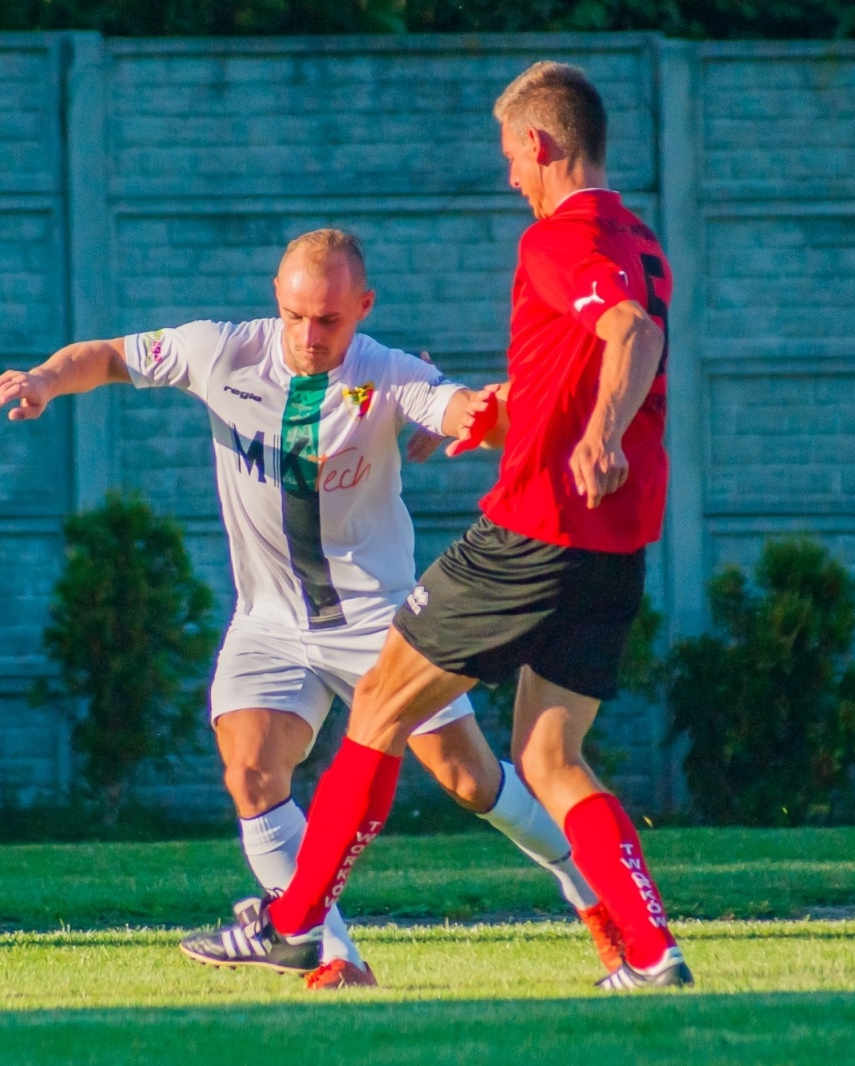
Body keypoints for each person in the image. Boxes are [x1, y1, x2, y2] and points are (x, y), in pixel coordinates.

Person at [0, 227, 625, 989]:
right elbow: (109, 357)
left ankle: (594, 896)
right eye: (296, 316)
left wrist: (492, 419)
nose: (311, 334)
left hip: (382, 623)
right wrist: (45, 381)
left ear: (363, 307)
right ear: (277, 303)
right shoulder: (220, 351)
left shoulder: (385, 373)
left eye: (330, 320)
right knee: (252, 773)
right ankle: (333, 956)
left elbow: (457, 408)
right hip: (270, 624)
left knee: (467, 779)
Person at [178, 62, 692, 991]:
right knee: (548, 754)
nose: (509, 177)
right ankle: (653, 954)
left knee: (376, 708)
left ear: (539, 145)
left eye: (510, 157)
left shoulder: (556, 237)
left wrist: (599, 437)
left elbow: (631, 337)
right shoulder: (640, 236)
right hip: (617, 545)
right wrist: (511, 422)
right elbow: (600, 345)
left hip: (534, 533)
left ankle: (295, 926)